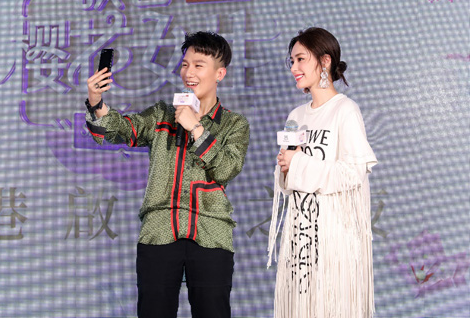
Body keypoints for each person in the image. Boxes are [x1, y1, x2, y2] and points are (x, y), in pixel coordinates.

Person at [85, 31, 250, 318]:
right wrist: (96, 101)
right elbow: (122, 130)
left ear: (219, 73)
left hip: (210, 233)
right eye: (185, 65)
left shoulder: (234, 124)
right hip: (159, 231)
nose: (189, 73)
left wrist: (196, 128)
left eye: (198, 65)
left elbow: (227, 169)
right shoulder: (163, 114)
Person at [267, 27, 377, 318]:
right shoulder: (296, 116)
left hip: (334, 239)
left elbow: (353, 173)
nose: (294, 68)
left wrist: (299, 163)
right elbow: (288, 177)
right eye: (292, 61)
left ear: (325, 61)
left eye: (301, 59)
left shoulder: (345, 110)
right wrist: (286, 166)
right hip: (301, 237)